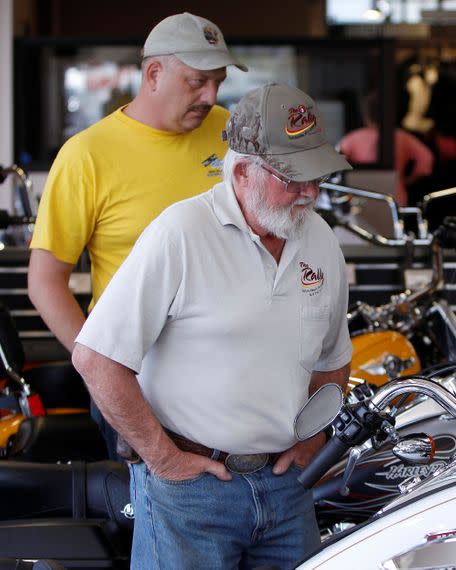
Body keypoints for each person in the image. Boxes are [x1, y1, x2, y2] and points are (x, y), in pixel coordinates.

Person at [71, 82, 353, 569]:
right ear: (243, 172)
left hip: (287, 489)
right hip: (191, 494)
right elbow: (96, 357)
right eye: (294, 178)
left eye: (318, 176)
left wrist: (313, 438)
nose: (310, 192)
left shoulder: (320, 238)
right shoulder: (180, 232)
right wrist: (162, 458)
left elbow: (333, 358)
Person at [27, 12, 247, 457]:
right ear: (153, 73)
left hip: (236, 372)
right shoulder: (87, 155)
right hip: (143, 384)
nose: (211, 95)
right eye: (197, 81)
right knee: (161, 516)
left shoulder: (231, 133)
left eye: (218, 82)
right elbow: (45, 282)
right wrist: (105, 372)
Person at [338, 91, 433, 207]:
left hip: (361, 197)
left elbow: (336, 162)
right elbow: (427, 158)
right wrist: (407, 179)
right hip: (395, 195)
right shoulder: (401, 136)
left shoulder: (353, 138)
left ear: (366, 115)